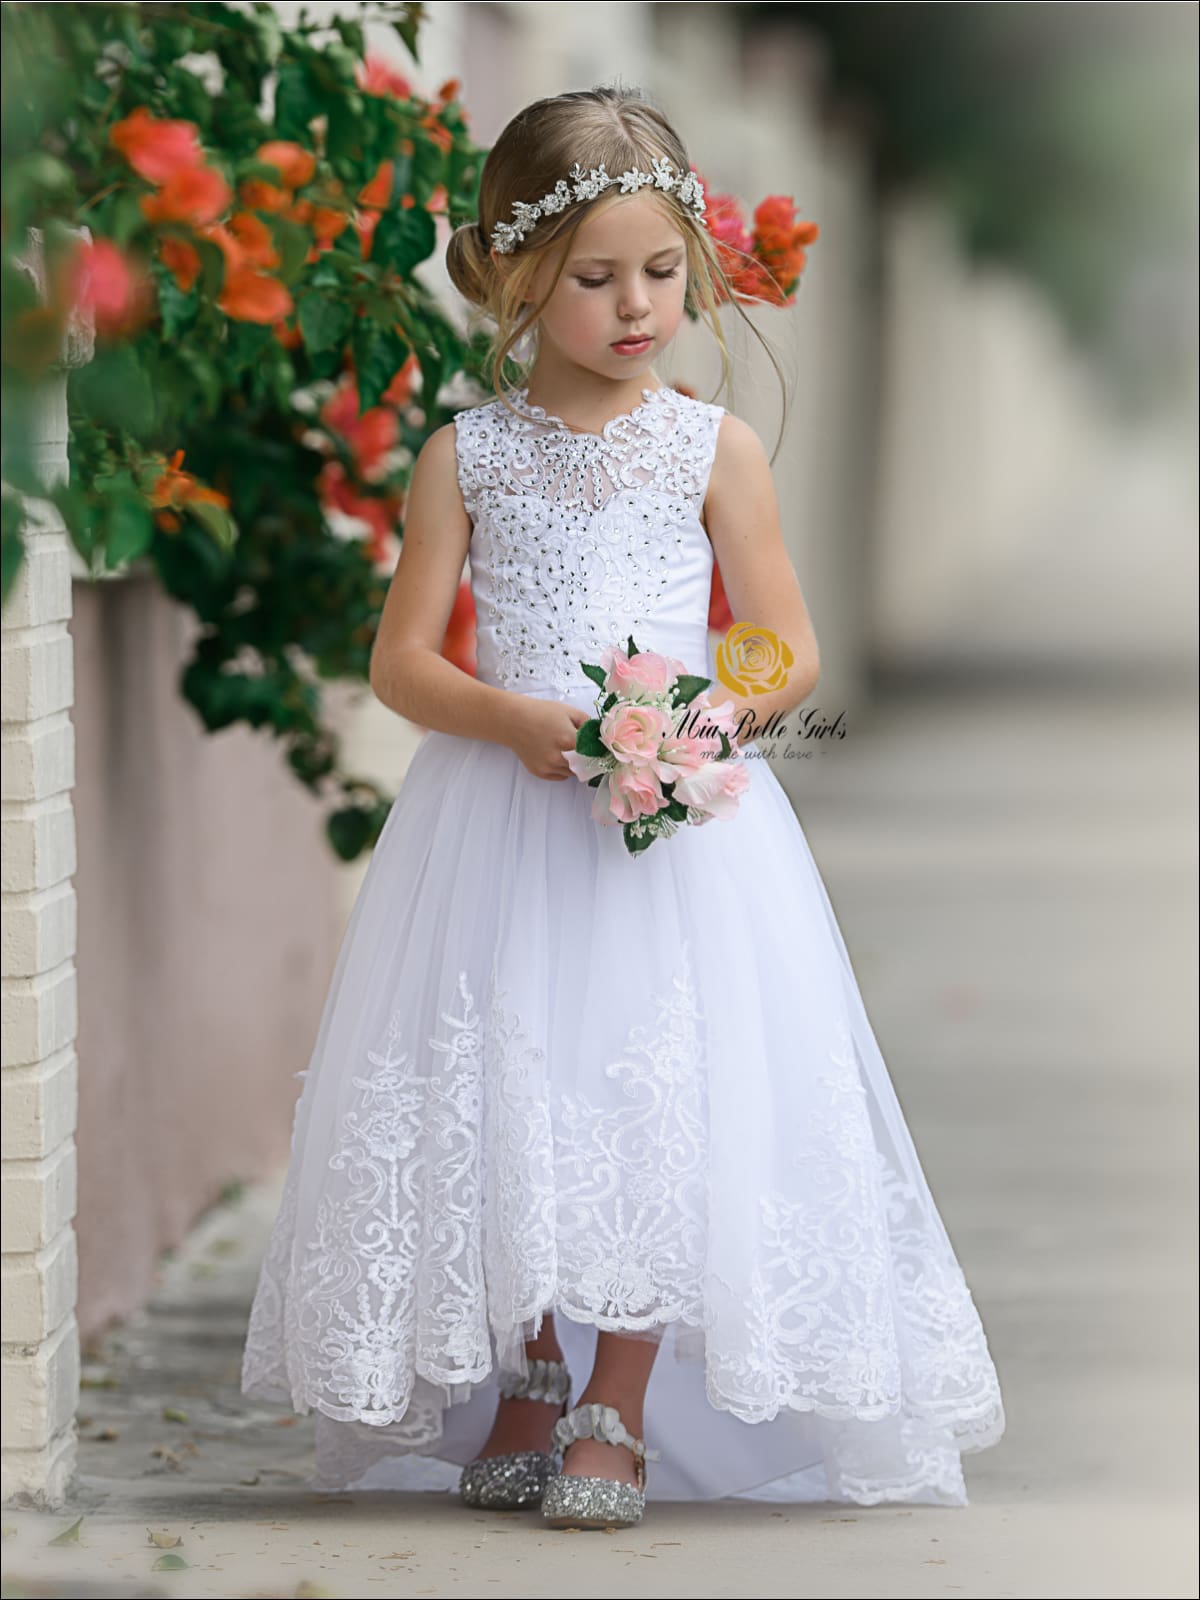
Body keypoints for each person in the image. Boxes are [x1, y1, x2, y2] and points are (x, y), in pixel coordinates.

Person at [240, 83, 1005, 1531]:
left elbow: (785, 642)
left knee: (656, 1091)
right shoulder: (466, 458)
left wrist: (708, 716)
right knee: (511, 1085)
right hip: (498, 819)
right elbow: (401, 663)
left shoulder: (712, 448)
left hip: (675, 830)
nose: (637, 305)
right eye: (596, 279)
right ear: (521, 280)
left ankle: (620, 1399)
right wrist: (514, 718)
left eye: (662, 272)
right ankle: (529, 1371)